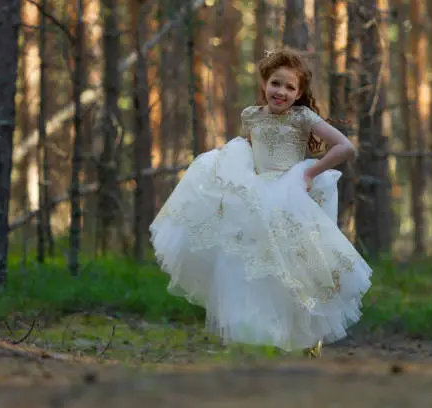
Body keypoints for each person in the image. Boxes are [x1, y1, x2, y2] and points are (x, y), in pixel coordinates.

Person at [150, 48, 372, 357]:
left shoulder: (303, 117)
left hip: (290, 194)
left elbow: (344, 147)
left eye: (290, 87)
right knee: (252, 265)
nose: (281, 92)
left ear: (299, 94)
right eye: (275, 84)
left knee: (298, 265)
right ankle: (259, 333)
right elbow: (250, 152)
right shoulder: (251, 115)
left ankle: (309, 331)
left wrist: (310, 172)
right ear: (265, 84)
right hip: (258, 195)